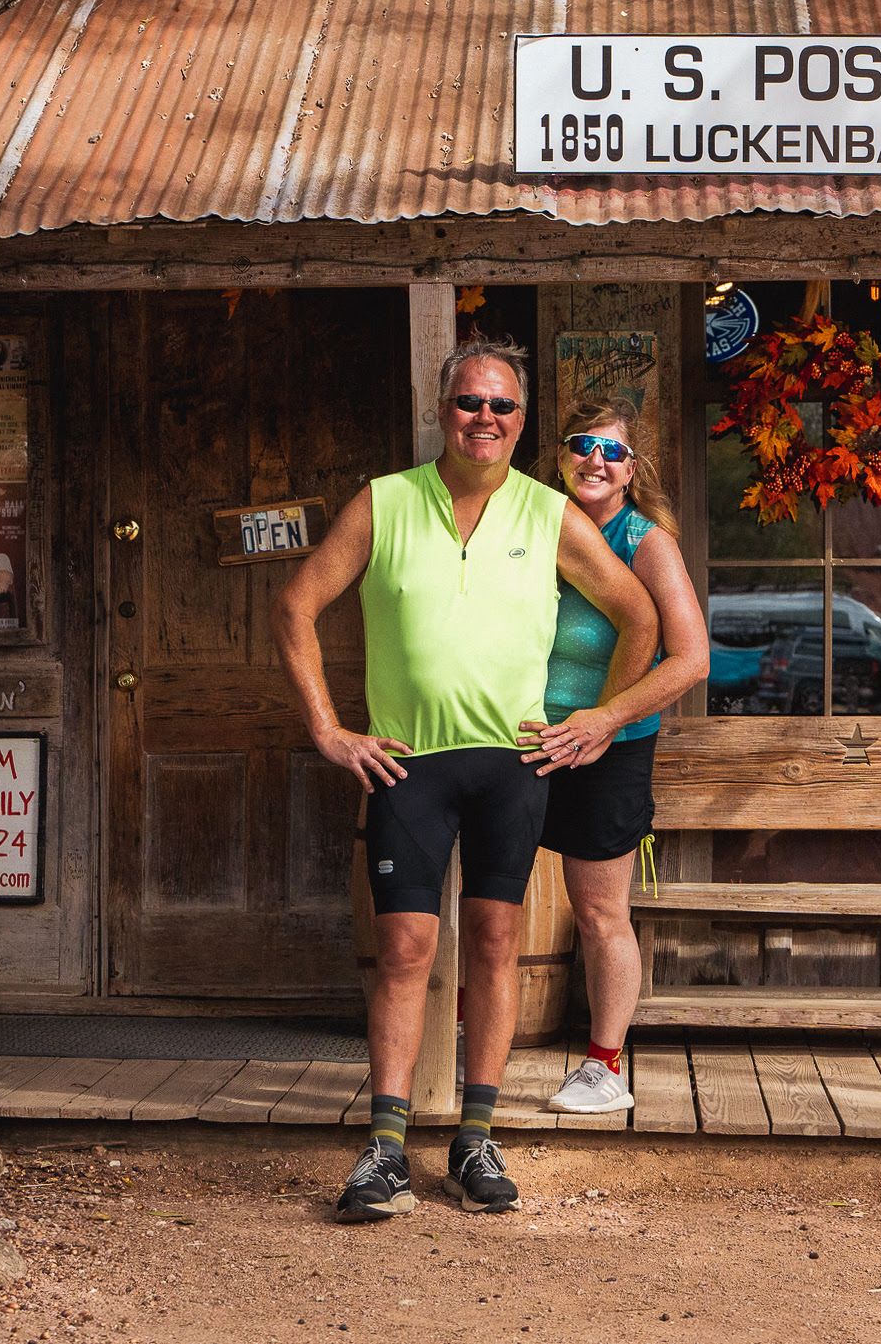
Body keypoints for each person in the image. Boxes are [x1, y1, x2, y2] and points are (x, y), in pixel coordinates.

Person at [273, 339, 657, 1223]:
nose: (485, 417)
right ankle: (383, 1150)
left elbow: (638, 615)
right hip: (407, 762)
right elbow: (296, 603)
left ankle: (475, 1136)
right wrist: (328, 730)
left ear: (522, 422)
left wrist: (599, 721)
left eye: (503, 406)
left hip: (511, 763)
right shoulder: (385, 502)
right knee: (404, 950)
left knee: (493, 943)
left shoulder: (549, 511)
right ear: (443, 411)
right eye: (469, 403)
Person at [519, 399, 709, 1114]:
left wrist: (603, 718)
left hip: (610, 747)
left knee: (599, 912)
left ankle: (603, 1067)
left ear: (632, 470)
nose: (594, 459)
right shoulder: (531, 529)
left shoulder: (645, 541)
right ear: (561, 458)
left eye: (612, 450)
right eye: (581, 444)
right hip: (526, 741)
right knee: (489, 896)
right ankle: (466, 1045)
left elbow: (690, 660)